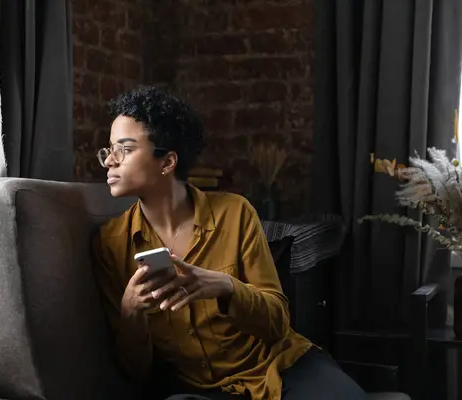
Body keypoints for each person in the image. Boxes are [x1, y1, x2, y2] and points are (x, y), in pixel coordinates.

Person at [91, 86, 366, 400]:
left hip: (281, 367)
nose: (109, 161)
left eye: (124, 149)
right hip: (202, 390)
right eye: (108, 150)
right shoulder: (110, 243)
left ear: (167, 161)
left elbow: (277, 323)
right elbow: (135, 371)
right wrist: (130, 312)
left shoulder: (235, 212)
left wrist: (226, 286)